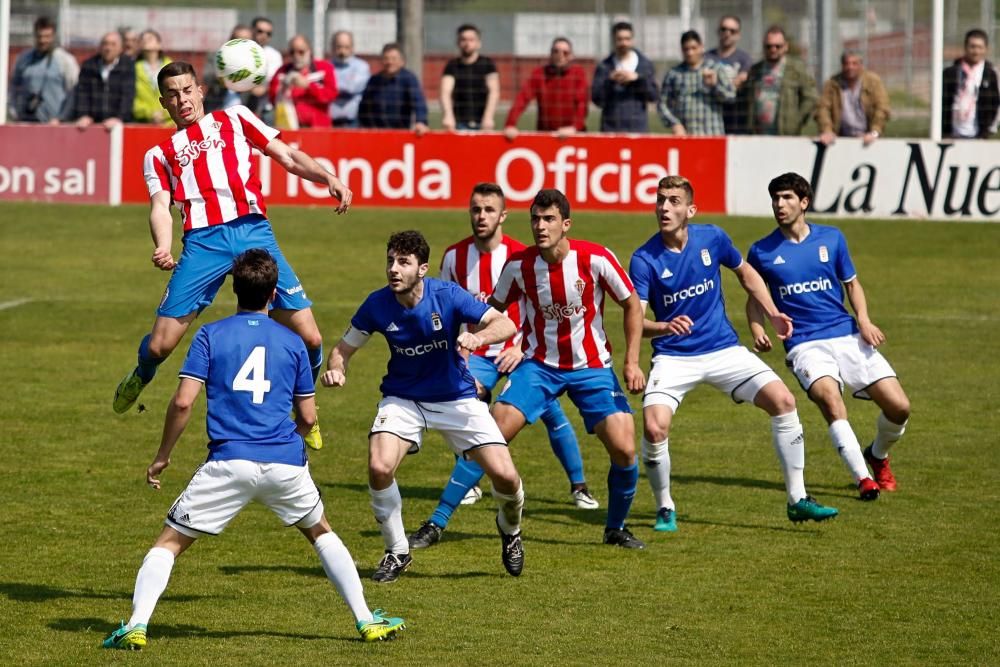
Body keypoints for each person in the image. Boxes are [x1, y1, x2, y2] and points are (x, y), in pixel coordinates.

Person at [100, 249, 405, 650]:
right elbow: (310, 419)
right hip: (285, 464)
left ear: (233, 288)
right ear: (275, 293)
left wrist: (162, 457)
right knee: (321, 532)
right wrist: (288, 437)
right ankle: (366, 620)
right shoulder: (294, 343)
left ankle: (137, 625)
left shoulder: (210, 335)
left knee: (169, 543)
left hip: (228, 463)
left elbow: (182, 403)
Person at [111, 61, 353, 459]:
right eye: (172, 94)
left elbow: (288, 156)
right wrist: (163, 244)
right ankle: (140, 375)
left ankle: (305, 412)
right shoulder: (159, 154)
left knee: (310, 337)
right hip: (203, 243)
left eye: (187, 90)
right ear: (163, 102)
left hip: (254, 233)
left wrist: (328, 178)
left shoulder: (236, 118)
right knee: (159, 346)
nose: (181, 99)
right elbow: (160, 205)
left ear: (201, 91)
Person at [628, 175, 838, 533]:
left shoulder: (713, 237)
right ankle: (665, 507)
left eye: (674, 201)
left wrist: (771, 312)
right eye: (661, 200)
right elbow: (636, 319)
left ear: (690, 209)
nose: (664, 207)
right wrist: (639, 354)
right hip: (674, 357)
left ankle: (798, 500)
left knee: (784, 400)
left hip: (724, 349)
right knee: (653, 426)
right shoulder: (644, 259)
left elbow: (747, 274)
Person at [321, 231, 526, 582]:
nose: (394, 270)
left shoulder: (447, 295)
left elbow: (504, 322)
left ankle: (510, 531)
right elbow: (343, 349)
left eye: (403, 262)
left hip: (456, 398)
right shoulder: (377, 304)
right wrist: (336, 369)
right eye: (390, 261)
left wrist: (478, 337)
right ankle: (397, 551)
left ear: (422, 269)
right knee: (379, 466)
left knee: (506, 478)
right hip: (404, 399)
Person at [407, 184, 598, 551]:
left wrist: (516, 347)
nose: (482, 217)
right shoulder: (453, 257)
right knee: (466, 403)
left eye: (489, 210)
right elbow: (444, 307)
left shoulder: (519, 255)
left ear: (503, 216)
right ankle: (471, 481)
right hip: (477, 353)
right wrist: (457, 352)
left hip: (521, 350)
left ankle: (579, 486)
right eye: (476, 209)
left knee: (550, 410)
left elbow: (531, 310)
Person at [489, 189, 647, 549]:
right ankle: (438, 522)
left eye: (548, 219)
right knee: (491, 434)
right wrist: (475, 344)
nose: (540, 226)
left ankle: (616, 528)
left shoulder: (595, 258)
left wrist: (632, 361)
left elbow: (632, 304)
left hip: (591, 366)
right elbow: (493, 310)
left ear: (566, 224)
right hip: (539, 365)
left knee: (624, 449)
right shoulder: (519, 265)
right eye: (535, 219)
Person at [747, 172, 910, 499]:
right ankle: (864, 479)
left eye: (787, 198)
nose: (780, 204)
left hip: (847, 335)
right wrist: (757, 329)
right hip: (804, 343)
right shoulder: (761, 251)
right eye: (776, 199)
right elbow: (754, 298)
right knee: (829, 400)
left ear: (804, 202)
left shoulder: (832, 239)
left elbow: (851, 283)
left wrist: (864, 319)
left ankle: (876, 456)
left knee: (899, 408)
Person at [503, 37, 588, 141]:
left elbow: (582, 104)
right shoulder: (540, 74)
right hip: (546, 135)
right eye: (556, 51)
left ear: (571, 56)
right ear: (550, 54)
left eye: (565, 52)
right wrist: (510, 124)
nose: (560, 55)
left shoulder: (578, 74)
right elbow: (522, 99)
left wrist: (575, 127)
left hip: (575, 135)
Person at [658, 30, 735, 136]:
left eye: (694, 48)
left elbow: (730, 97)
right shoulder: (674, 74)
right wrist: (674, 124)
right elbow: (662, 104)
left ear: (701, 47)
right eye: (686, 49)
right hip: (686, 136)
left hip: (712, 135)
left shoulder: (715, 69)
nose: (690, 53)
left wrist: (714, 86)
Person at [744, 26, 817, 136]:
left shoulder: (797, 69)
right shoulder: (755, 70)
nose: (773, 49)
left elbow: (811, 97)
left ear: (786, 47)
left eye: (778, 46)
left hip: (785, 134)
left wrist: (796, 121)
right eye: (769, 46)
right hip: (758, 134)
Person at [9, 16, 79, 124]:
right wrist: (14, 112)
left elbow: (73, 92)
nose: (42, 40)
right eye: (39, 36)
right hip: (27, 122)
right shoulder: (23, 58)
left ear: (54, 36)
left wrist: (61, 118)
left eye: (47, 36)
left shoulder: (65, 60)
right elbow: (13, 88)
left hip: (55, 124)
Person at [591, 21, 658, 132]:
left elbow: (653, 96)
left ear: (633, 40)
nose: (624, 43)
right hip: (611, 129)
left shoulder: (644, 64)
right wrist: (610, 81)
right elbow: (596, 99)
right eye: (620, 39)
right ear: (613, 40)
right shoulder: (604, 66)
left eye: (627, 39)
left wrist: (637, 79)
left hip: (638, 129)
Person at [816, 49, 890, 145]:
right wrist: (827, 130)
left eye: (854, 63)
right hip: (840, 138)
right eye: (846, 64)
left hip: (867, 137)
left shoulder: (873, 81)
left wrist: (874, 132)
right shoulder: (832, 83)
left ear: (861, 65)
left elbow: (882, 108)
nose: (850, 67)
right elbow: (823, 108)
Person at [358, 43, 429, 135]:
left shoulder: (409, 79)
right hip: (376, 133)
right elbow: (364, 107)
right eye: (386, 58)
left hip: (401, 132)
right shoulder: (374, 80)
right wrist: (365, 126)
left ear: (402, 61)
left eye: (394, 59)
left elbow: (418, 102)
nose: (390, 62)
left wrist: (421, 122)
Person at [269, 35, 338, 129]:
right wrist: (283, 88)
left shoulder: (324, 68)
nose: (296, 56)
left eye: (301, 52)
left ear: (309, 51)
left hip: (318, 129)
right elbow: (272, 99)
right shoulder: (282, 71)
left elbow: (331, 95)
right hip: (289, 128)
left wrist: (308, 86)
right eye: (292, 52)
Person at [942, 28, 1000, 139]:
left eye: (980, 47)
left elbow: (995, 103)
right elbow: (944, 100)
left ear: (985, 49)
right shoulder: (951, 72)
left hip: (978, 133)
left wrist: (987, 130)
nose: (976, 51)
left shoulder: (990, 74)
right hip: (953, 132)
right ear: (965, 47)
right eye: (972, 46)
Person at [70, 31, 135, 129]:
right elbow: (82, 93)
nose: (108, 48)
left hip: (118, 125)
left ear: (121, 48)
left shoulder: (128, 66)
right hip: (91, 125)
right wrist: (83, 115)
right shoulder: (89, 65)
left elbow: (128, 94)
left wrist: (119, 118)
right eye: (105, 44)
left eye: (113, 44)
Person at [440, 24, 499, 131]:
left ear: (478, 43)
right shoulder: (452, 65)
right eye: (463, 40)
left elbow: (494, 91)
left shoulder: (487, 64)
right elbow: (445, 92)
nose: (467, 43)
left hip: (482, 123)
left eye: (471, 40)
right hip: (458, 123)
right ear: (458, 43)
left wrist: (489, 117)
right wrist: (448, 116)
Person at [706, 15, 753, 134]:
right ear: (718, 31)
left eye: (732, 31)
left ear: (738, 35)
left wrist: (717, 83)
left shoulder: (744, 59)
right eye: (724, 29)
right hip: (710, 118)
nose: (727, 33)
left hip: (736, 119)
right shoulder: (706, 58)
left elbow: (739, 86)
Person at [203, 25, 254, 112]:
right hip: (216, 108)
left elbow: (261, 87)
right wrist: (225, 73)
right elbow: (206, 77)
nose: (241, 43)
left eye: (245, 40)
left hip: (246, 109)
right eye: (237, 39)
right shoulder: (217, 55)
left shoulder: (256, 61)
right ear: (231, 40)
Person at [329, 30, 370, 128]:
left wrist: (331, 87)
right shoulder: (327, 66)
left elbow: (351, 88)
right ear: (333, 47)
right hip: (330, 121)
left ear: (352, 47)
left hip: (352, 121)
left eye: (346, 47)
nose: (342, 51)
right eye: (339, 47)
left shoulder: (361, 66)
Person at [132, 30, 173, 126]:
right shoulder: (133, 68)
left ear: (159, 45)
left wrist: (163, 114)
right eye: (143, 39)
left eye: (149, 38)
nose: (146, 40)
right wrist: (150, 114)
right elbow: (131, 99)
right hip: (144, 123)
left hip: (170, 124)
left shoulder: (171, 66)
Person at [247, 17, 284, 121]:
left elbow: (274, 81)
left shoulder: (274, 55)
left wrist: (263, 89)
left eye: (268, 33)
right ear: (252, 31)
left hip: (266, 110)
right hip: (241, 105)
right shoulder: (242, 51)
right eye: (260, 31)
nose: (264, 36)